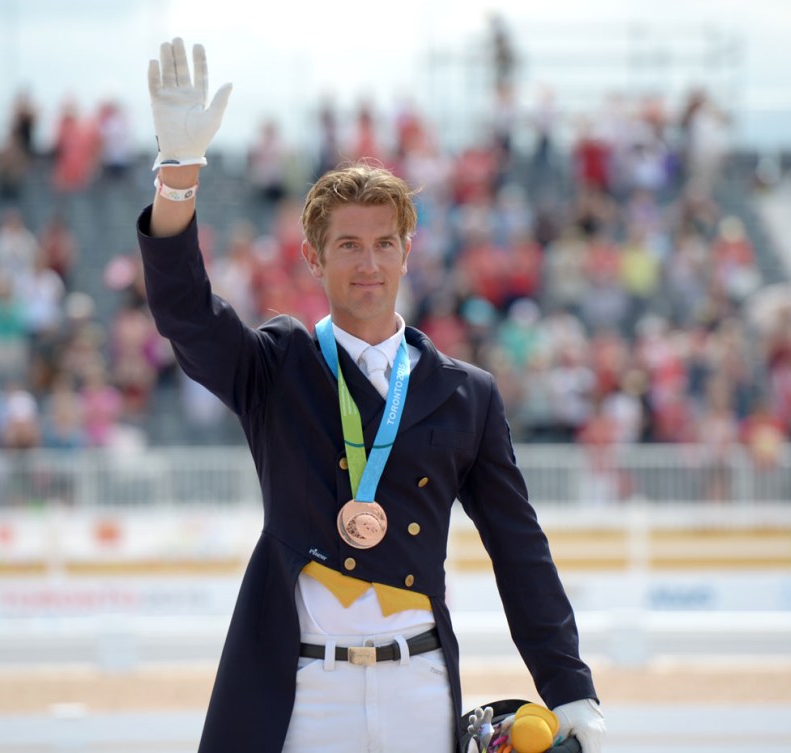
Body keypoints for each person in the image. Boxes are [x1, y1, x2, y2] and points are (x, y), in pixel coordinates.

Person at [137, 38, 605, 753]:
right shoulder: (276, 366)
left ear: (408, 249)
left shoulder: (464, 394)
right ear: (313, 256)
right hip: (301, 694)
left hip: (417, 687)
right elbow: (185, 314)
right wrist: (178, 177)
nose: (368, 262)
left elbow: (519, 549)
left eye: (385, 243)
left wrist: (569, 689)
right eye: (348, 245)